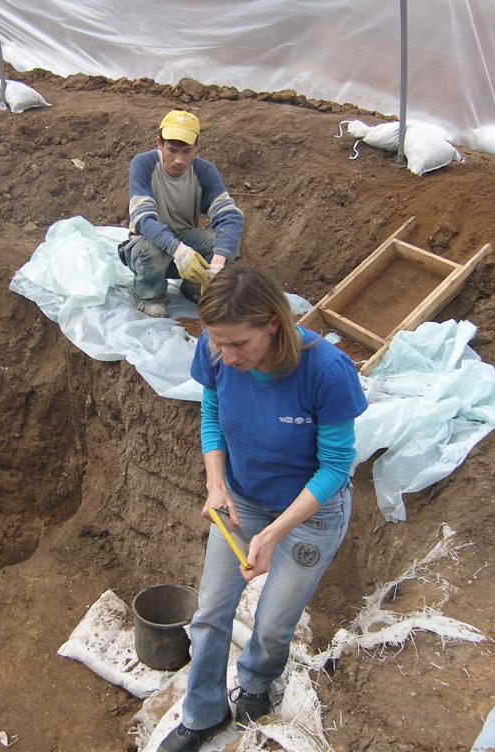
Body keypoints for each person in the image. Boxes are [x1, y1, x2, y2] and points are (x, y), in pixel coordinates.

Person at [159, 265, 368, 752]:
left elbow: (337, 465)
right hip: (242, 501)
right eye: (218, 344)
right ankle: (204, 713)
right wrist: (215, 483)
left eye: (239, 345)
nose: (227, 357)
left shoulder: (327, 371)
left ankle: (255, 683)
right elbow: (211, 413)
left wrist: (274, 534)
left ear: (273, 322)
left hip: (311, 515)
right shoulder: (215, 350)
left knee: (273, 625)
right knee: (210, 613)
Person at [119, 110, 244, 318]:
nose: (179, 159)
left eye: (186, 151)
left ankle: (194, 288)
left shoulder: (204, 171)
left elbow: (230, 216)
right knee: (153, 248)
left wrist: (218, 262)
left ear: (197, 147)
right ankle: (148, 295)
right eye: (172, 150)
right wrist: (179, 251)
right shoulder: (144, 165)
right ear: (159, 144)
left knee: (224, 243)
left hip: (185, 243)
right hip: (145, 248)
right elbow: (143, 219)